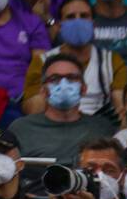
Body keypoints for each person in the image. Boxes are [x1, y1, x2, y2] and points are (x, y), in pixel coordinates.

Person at [7, 53, 116, 183]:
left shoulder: (102, 128)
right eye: (54, 79)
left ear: (84, 89)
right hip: (36, 198)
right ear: (43, 90)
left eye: (72, 78)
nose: (64, 84)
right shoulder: (21, 128)